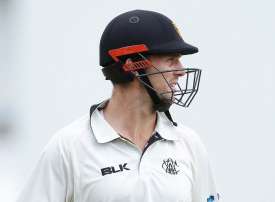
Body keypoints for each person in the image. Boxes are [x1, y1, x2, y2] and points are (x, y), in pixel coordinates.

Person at [17, 9, 219, 202]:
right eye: (171, 60)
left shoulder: (188, 144)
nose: (181, 71)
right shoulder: (68, 146)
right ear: (131, 65)